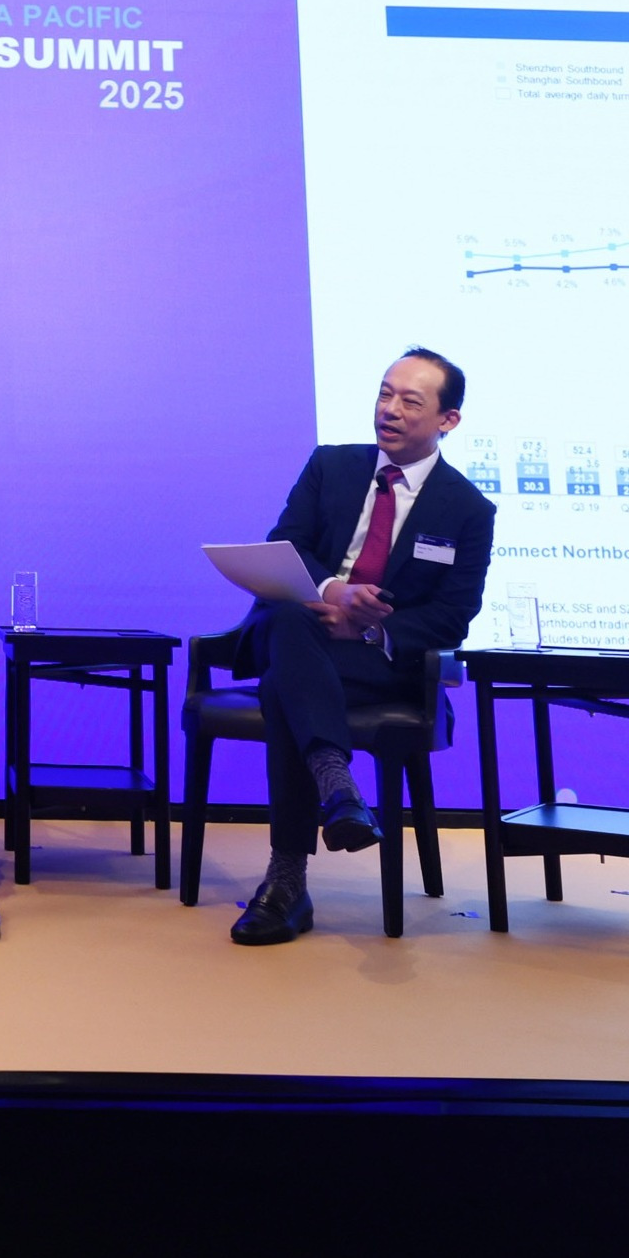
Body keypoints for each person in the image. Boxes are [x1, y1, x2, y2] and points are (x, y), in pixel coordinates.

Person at [227, 347, 494, 945]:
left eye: (410, 401)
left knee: (284, 684)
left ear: (447, 420)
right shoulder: (331, 465)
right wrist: (334, 591)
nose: (389, 410)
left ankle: (287, 881)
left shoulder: (468, 509)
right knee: (290, 622)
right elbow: (286, 546)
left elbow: (454, 615)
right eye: (384, 394)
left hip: (376, 661)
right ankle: (337, 786)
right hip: (304, 629)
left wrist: (369, 628)